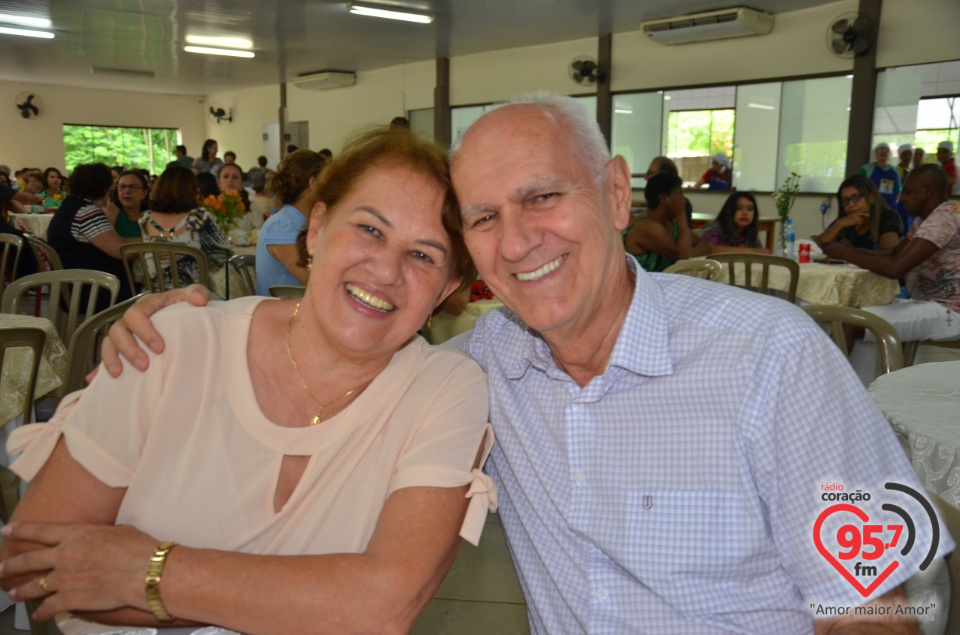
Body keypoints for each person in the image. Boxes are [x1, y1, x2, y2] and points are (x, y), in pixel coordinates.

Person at [99, 95, 947, 634]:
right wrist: (206, 329)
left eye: (544, 197)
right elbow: (341, 358)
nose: (518, 240)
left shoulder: (777, 355)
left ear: (616, 195)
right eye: (483, 217)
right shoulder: (475, 372)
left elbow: (873, 607)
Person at [0, 126, 495, 635]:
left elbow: (382, 607)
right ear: (318, 227)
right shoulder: (176, 344)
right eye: (370, 229)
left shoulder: (445, 388)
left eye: (423, 256)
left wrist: (149, 571)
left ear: (448, 288)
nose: (387, 270)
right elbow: (34, 556)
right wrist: (313, 600)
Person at [822, 164, 960, 346]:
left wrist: (847, 254)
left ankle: (830, 375)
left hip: (949, 312)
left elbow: (896, 267)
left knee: (852, 321)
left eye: (908, 192)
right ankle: (862, 374)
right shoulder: (924, 219)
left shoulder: (945, 217)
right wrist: (852, 250)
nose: (902, 197)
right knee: (852, 313)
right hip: (930, 305)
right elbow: (894, 252)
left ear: (927, 190)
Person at [46, 163, 139, 309]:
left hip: (70, 286)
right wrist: (151, 240)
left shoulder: (69, 206)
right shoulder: (87, 212)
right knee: (146, 290)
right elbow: (122, 251)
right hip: (90, 290)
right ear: (104, 188)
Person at [140, 165, 233, 294]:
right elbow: (223, 256)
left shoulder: (145, 219)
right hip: (191, 297)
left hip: (153, 296)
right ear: (191, 189)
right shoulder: (197, 217)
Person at [255, 149, 325, 295]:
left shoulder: (301, 220)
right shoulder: (282, 226)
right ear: (313, 183)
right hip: (283, 313)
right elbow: (315, 281)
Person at [622, 172, 696, 272]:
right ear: (664, 198)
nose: (683, 200)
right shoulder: (646, 226)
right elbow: (683, 255)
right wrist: (681, 213)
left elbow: (704, 245)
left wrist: (689, 252)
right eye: (679, 194)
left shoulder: (670, 224)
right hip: (643, 286)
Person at [815, 175, 902, 251]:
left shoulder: (888, 217)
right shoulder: (845, 220)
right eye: (845, 201)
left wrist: (849, 254)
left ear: (872, 196)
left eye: (856, 197)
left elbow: (887, 254)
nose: (851, 204)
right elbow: (815, 248)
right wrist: (839, 225)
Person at [693, 191, 770, 254]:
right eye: (739, 208)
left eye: (749, 209)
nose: (745, 213)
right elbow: (709, 248)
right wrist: (750, 251)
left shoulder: (750, 233)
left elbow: (760, 254)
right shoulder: (713, 230)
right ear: (729, 210)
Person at [859, 142, 901, 211]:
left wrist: (894, 203)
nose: (882, 152)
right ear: (875, 153)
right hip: (872, 207)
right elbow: (858, 186)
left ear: (889, 153)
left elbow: (899, 190)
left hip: (891, 208)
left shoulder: (895, 170)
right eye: (879, 150)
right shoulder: (866, 169)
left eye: (885, 150)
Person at [111, 170, 150, 238]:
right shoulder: (111, 212)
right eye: (122, 187)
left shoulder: (151, 216)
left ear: (144, 193)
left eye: (133, 187)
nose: (127, 191)